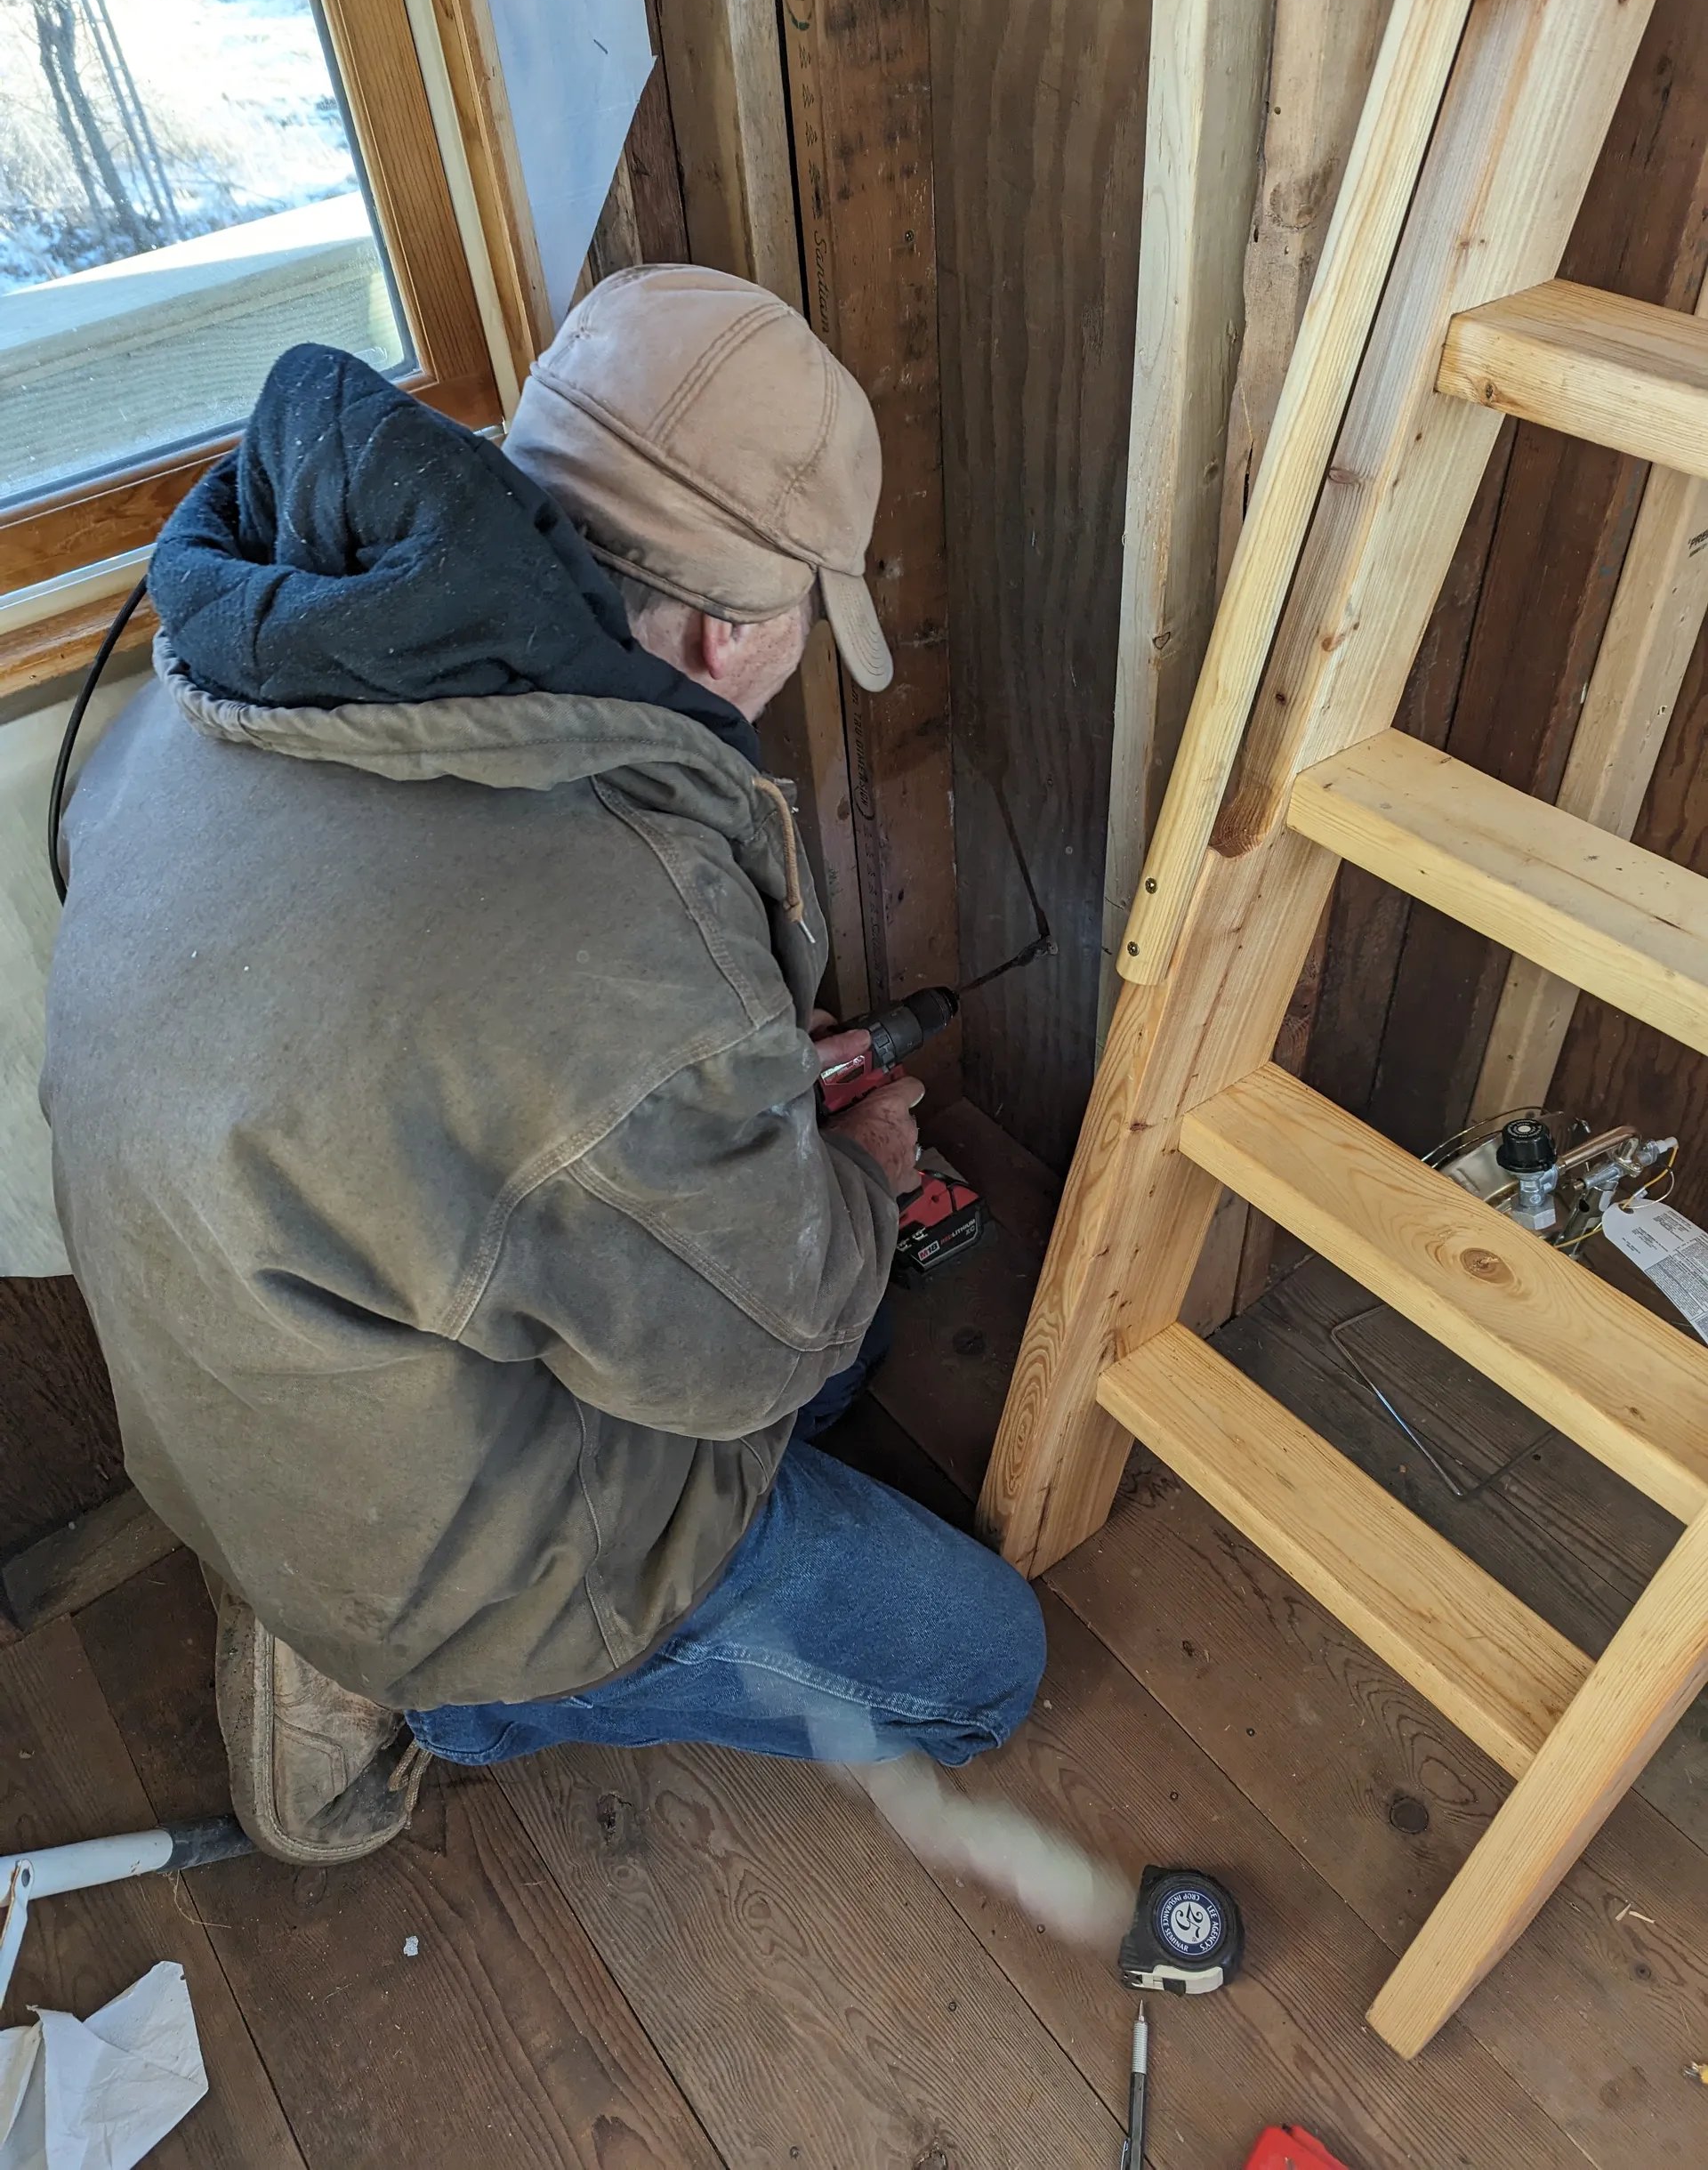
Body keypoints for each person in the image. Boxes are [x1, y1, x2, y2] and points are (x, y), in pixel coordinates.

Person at [43, 265, 1045, 1864]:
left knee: (824, 1336)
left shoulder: (243, 662)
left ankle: (314, 1570)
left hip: (265, 1361)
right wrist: (856, 1175)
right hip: (435, 1553)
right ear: (732, 634)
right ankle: (431, 1694)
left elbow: (449, 1050)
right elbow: (747, 1351)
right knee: (990, 1674)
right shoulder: (627, 943)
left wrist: (703, 1114)